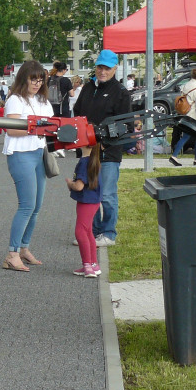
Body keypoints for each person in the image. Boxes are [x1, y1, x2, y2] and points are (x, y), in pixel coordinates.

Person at [73, 49, 131, 248]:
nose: (102, 71)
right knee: (90, 193)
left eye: (107, 68)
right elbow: (77, 113)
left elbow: (126, 125)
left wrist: (104, 143)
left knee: (106, 195)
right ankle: (92, 231)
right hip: (88, 151)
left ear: (115, 69)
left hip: (108, 152)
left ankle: (108, 233)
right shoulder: (89, 88)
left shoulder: (121, 92)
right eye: (100, 67)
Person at [1, 61, 52, 272]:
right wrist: (37, 129)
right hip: (20, 154)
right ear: (25, 78)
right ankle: (12, 254)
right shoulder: (15, 100)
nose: (37, 83)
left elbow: (51, 126)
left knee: (37, 207)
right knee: (27, 205)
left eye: (41, 80)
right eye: (33, 79)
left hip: (39, 153)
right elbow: (11, 129)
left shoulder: (42, 100)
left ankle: (24, 248)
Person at [66, 142, 103, 278]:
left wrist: (70, 184)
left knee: (80, 232)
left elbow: (79, 186)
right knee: (88, 232)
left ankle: (87, 266)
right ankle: (94, 264)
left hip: (86, 201)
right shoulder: (95, 160)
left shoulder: (83, 162)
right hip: (94, 201)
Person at [169, 68, 196, 167]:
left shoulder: (186, 85)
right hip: (194, 117)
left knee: (195, 136)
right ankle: (176, 156)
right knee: (189, 136)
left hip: (186, 114)